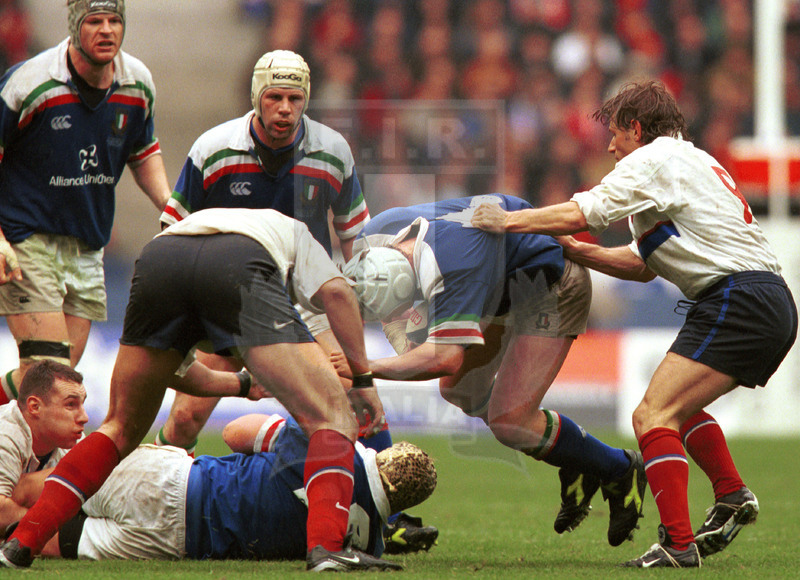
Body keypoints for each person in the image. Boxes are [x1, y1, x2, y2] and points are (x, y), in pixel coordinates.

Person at [471, 80, 798, 568]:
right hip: (765, 300)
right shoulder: (692, 164)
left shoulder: (655, 160)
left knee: (651, 417)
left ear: (636, 127)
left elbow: (586, 209)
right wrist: (581, 251)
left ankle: (678, 545)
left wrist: (508, 222)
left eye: (615, 135)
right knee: (675, 410)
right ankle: (730, 494)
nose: (609, 146)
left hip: (738, 297)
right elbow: (643, 265)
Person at [0, 207, 395, 572]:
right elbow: (339, 293)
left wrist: (240, 384)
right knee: (332, 416)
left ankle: (21, 544)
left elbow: (173, 372)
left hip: (158, 258)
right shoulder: (296, 234)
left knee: (118, 427)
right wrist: (362, 379)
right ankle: (327, 549)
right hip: (240, 261)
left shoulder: (209, 220)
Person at [154, 49, 434, 553]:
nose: (285, 108)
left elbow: (355, 238)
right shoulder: (213, 149)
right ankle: (153, 477)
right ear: (256, 98)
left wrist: (375, 293)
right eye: (275, 97)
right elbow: (175, 228)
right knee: (186, 419)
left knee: (353, 389)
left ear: (306, 99)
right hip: (225, 296)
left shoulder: (333, 151)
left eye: (295, 98)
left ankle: (390, 514)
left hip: (303, 300)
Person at [342, 194, 647, 550]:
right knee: (460, 392)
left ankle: (618, 468)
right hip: (503, 282)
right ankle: (573, 454)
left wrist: (364, 371)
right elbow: (395, 330)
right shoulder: (372, 241)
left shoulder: (453, 264)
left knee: (509, 421)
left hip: (551, 285)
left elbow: (444, 358)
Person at [0, 0, 172, 405]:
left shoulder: (137, 83)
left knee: (52, 378)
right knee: (52, 375)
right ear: (75, 25)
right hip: (27, 242)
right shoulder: (30, 83)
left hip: (87, 247)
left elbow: (143, 150)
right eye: (95, 21)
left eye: (115, 20)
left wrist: (169, 206)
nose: (107, 30)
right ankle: (30, 468)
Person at [36, 413, 435, 565]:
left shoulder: (325, 446)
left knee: (36, 497)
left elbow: (233, 432)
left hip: (178, 483)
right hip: (180, 544)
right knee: (54, 543)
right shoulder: (367, 548)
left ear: (383, 457)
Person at [0, 360, 87, 533]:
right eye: (71, 404)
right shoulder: (5, 434)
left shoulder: (73, 439)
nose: (84, 417)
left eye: (82, 403)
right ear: (35, 406)